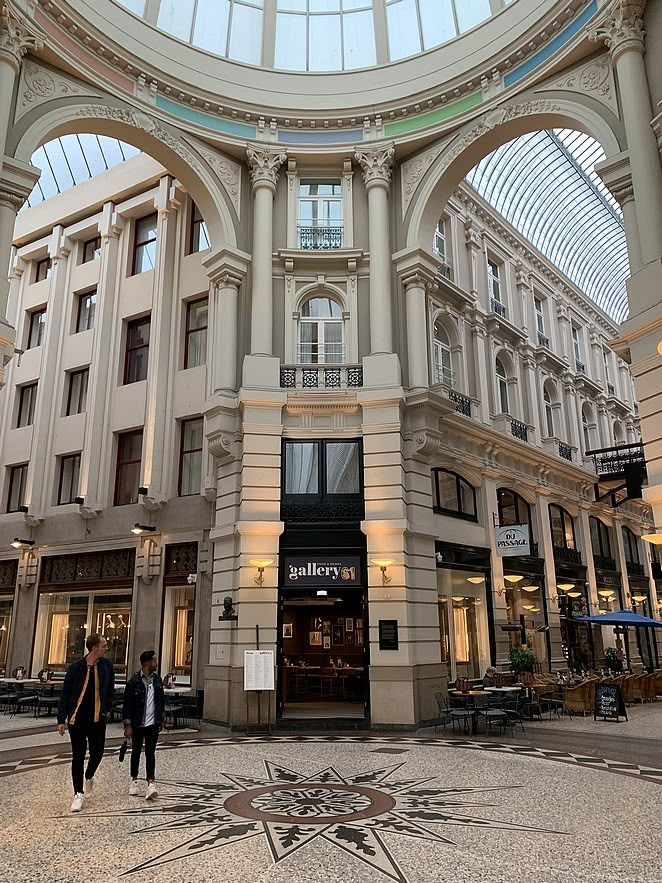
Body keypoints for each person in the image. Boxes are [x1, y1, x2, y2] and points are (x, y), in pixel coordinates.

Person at [56, 634, 115, 813]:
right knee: (78, 756)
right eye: (104, 645)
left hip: (97, 718)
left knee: (97, 753)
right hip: (77, 719)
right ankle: (78, 793)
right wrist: (61, 719)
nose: (107, 648)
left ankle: (89, 776)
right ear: (94, 648)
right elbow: (66, 694)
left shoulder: (107, 667)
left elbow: (110, 689)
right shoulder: (75, 668)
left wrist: (107, 709)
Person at [122, 649, 165, 800]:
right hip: (138, 723)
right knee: (136, 752)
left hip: (152, 723)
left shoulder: (157, 680)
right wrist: (127, 725)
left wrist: (160, 718)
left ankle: (150, 782)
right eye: (154, 661)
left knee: (150, 753)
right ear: (147, 663)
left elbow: (160, 701)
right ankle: (134, 779)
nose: (156, 663)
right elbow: (127, 704)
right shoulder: (134, 682)